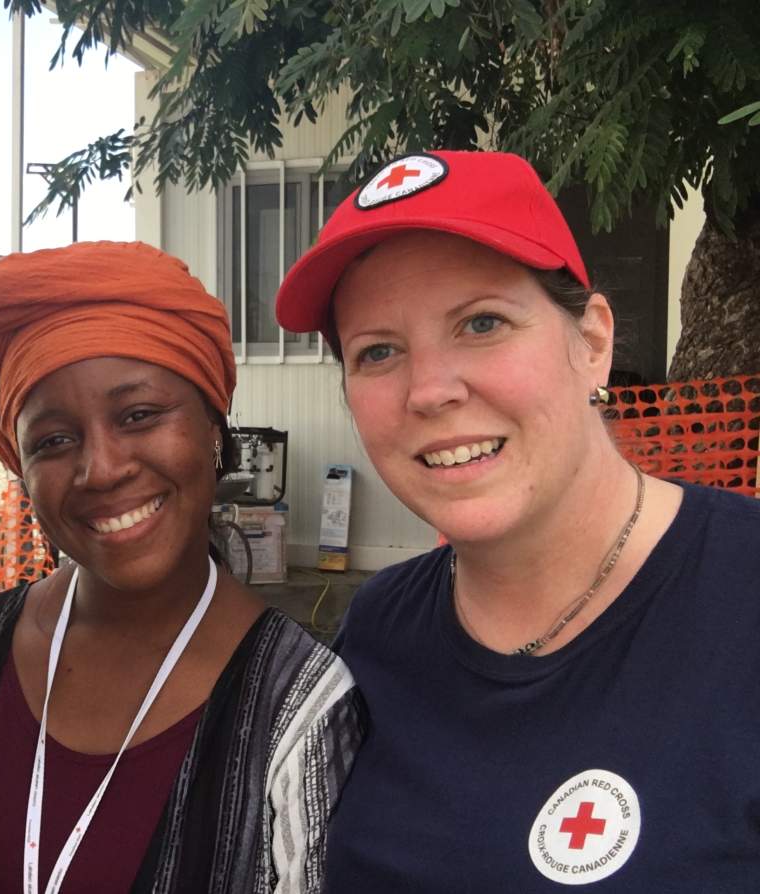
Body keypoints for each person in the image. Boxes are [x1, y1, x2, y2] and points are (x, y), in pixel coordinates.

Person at [274, 150, 760, 890]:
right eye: (378, 351)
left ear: (592, 341)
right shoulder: (375, 636)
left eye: (482, 323)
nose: (430, 390)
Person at [0, 241, 363, 894]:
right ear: (22, 469)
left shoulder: (301, 706)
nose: (103, 468)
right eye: (54, 440)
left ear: (213, 425)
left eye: (139, 415)